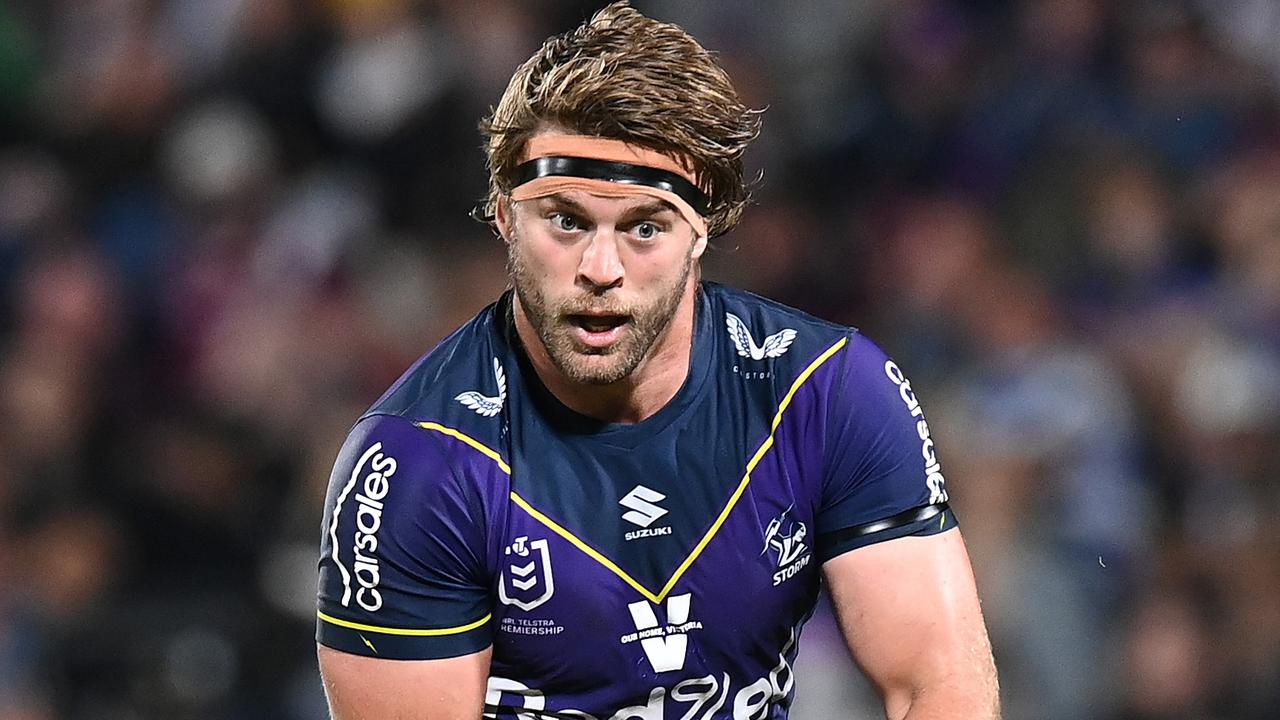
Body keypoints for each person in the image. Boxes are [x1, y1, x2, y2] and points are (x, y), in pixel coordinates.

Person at [315, 3, 1000, 718]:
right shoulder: (414, 463)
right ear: (504, 218)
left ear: (705, 229)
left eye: (645, 226)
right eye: (566, 221)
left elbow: (938, 684)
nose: (600, 268)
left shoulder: (824, 392)